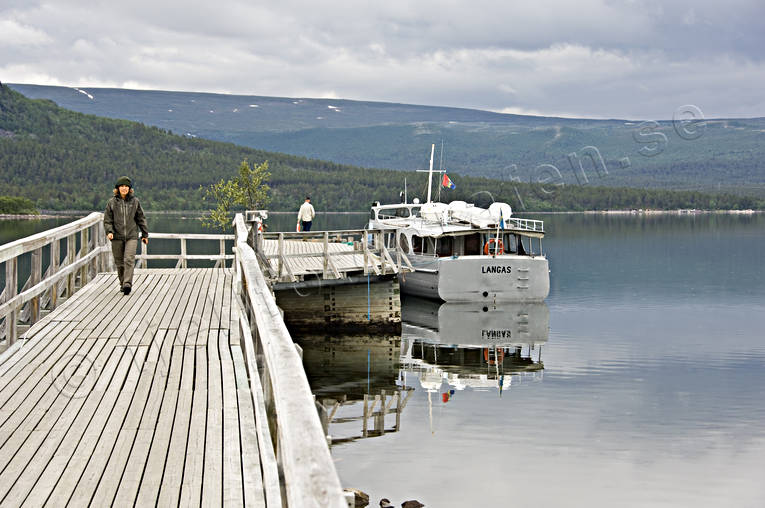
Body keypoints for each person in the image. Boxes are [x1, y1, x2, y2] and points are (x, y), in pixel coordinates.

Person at [103, 176, 149, 295]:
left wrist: (145, 234)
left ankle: (128, 284)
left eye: (126, 186)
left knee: (129, 259)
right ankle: (122, 283)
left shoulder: (135, 202)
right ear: (117, 188)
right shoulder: (111, 203)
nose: (124, 188)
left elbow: (141, 218)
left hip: (131, 236)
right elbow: (107, 220)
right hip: (116, 237)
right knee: (119, 262)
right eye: (122, 186)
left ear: (130, 189)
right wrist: (109, 231)